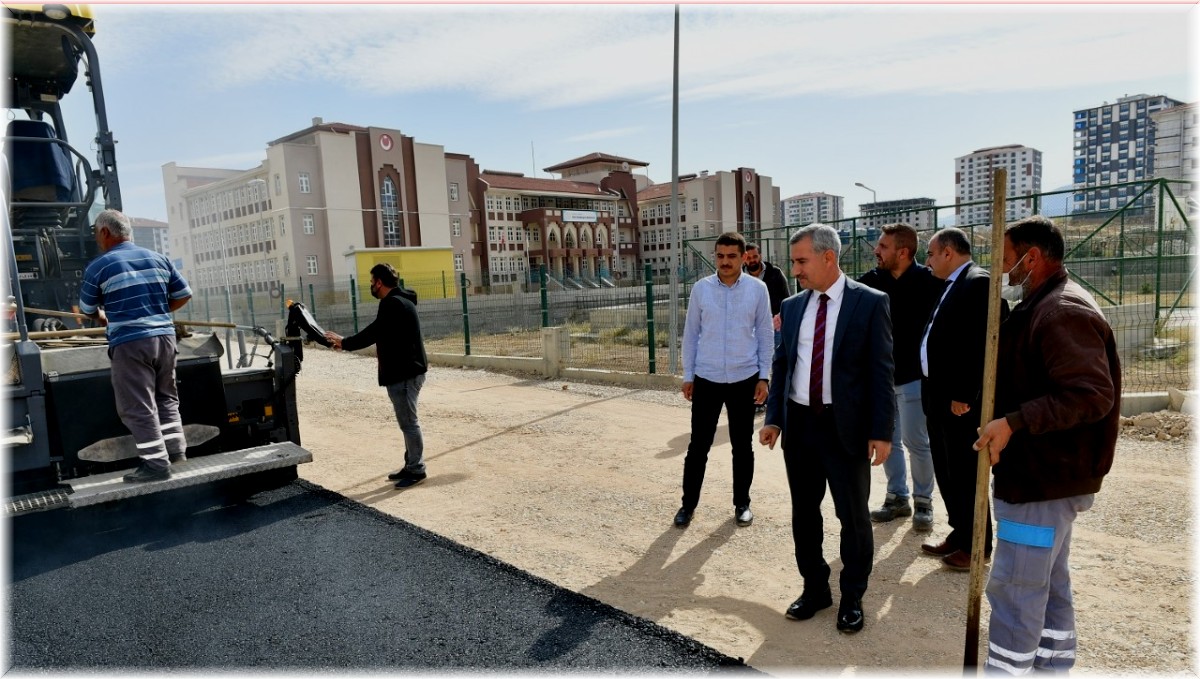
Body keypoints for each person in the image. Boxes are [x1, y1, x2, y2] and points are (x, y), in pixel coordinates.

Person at [974, 216, 1119, 674]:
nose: (1000, 268)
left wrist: (1014, 423)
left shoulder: (1061, 312)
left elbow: (1090, 395)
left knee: (1017, 589)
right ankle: (1052, 667)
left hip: (1041, 483)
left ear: (1030, 258)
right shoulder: (1042, 304)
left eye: (1004, 257)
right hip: (1045, 479)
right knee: (1049, 582)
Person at [759, 223, 894, 634]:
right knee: (804, 513)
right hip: (800, 425)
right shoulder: (795, 305)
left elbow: (881, 371)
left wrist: (882, 431)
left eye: (801, 260)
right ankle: (815, 588)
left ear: (827, 257)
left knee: (852, 516)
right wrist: (774, 418)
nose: (795, 269)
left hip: (845, 427)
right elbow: (783, 364)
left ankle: (852, 595)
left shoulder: (869, 303)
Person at [78, 209, 192, 483]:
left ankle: (155, 465)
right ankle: (176, 452)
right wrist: (158, 312)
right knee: (165, 397)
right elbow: (184, 294)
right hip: (165, 340)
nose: (96, 238)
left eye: (96, 233)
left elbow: (86, 308)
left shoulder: (99, 266)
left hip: (131, 343)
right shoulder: (158, 258)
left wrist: (102, 316)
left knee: (137, 405)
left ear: (105, 232)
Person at [919, 227, 1008, 570]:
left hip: (959, 403)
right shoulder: (953, 284)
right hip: (938, 397)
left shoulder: (977, 282)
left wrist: (964, 394)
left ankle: (977, 547)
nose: (927, 261)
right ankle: (960, 533)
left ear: (948, 252)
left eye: (930, 254)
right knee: (948, 470)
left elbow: (980, 345)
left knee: (966, 474)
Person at [675, 231, 773, 529]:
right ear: (714, 256)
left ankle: (742, 504)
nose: (725, 262)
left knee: (742, 446)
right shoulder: (701, 290)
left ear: (744, 257)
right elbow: (691, 334)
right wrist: (689, 374)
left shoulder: (757, 290)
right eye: (720, 256)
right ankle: (687, 505)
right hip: (707, 377)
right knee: (698, 446)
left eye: (732, 256)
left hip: (745, 377)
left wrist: (764, 377)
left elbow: (766, 334)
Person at [857, 223, 945, 532]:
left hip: (914, 379)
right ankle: (897, 497)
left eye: (882, 246)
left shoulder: (929, 282)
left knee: (916, 441)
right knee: (886, 440)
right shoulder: (871, 281)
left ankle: (923, 500)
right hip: (879, 380)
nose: (876, 251)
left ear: (903, 252)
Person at [325, 263, 430, 489]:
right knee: (407, 423)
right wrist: (346, 344)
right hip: (408, 371)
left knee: (409, 423)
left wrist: (345, 343)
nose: (371, 286)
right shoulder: (402, 301)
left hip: (405, 374)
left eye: (372, 282)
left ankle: (417, 468)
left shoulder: (392, 304)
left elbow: (373, 332)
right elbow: (382, 333)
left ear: (379, 283)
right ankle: (410, 464)